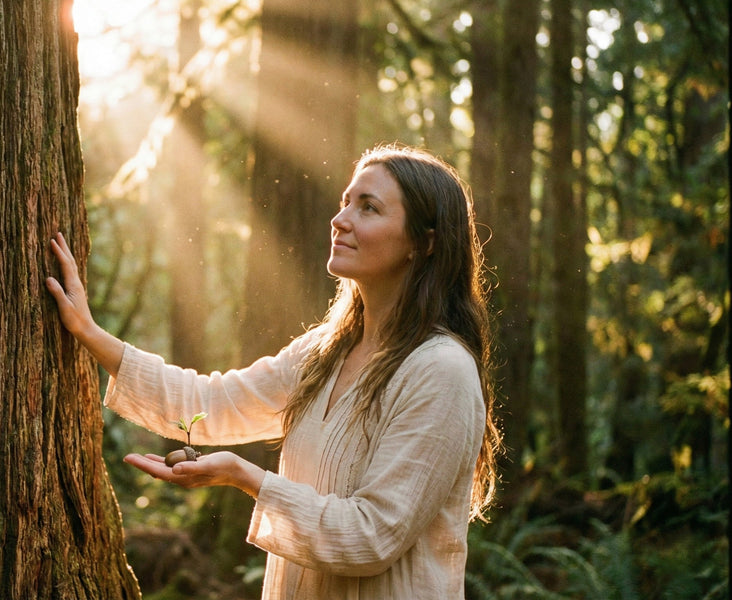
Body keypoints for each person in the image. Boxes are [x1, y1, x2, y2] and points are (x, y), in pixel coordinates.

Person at [45, 143, 502, 599]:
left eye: (369, 208)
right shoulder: (325, 351)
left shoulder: (442, 371)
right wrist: (89, 332)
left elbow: (371, 537)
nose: (340, 220)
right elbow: (210, 403)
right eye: (346, 202)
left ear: (424, 242)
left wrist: (246, 477)